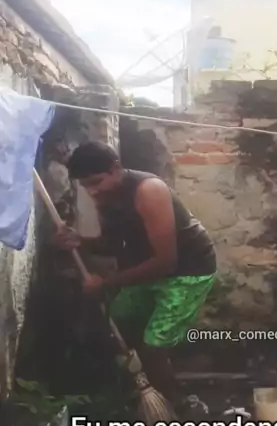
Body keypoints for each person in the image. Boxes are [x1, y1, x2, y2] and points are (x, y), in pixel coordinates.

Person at [55, 141, 216, 402]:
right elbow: (111, 245)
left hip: (187, 271)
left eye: (96, 182)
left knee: (154, 345)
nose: (92, 192)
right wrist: (79, 241)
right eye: (85, 186)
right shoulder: (105, 197)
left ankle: (173, 405)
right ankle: (141, 392)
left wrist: (106, 284)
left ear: (115, 168)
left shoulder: (149, 191)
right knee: (121, 321)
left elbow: (166, 262)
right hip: (147, 267)